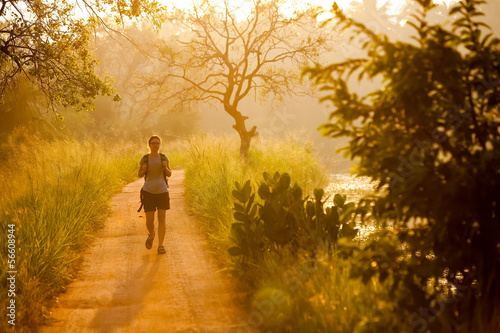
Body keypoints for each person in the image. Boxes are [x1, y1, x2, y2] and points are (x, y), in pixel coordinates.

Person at [138, 135, 172, 254]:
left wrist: (165, 166)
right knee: (149, 221)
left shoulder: (164, 157)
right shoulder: (145, 159)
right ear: (149, 145)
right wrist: (144, 169)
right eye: (153, 143)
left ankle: (161, 245)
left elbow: (169, 173)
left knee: (162, 219)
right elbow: (139, 174)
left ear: (160, 145)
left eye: (157, 143)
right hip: (148, 191)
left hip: (162, 191)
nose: (155, 145)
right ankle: (151, 235)